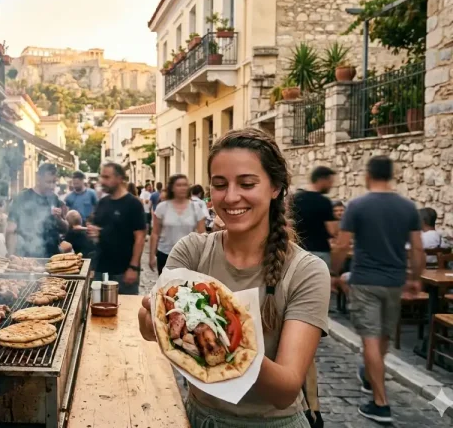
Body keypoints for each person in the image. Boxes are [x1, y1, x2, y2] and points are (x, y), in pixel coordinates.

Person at [137, 128, 330, 427]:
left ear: (276, 186)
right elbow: (150, 330)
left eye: (247, 183)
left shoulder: (306, 271)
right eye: (219, 184)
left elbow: (285, 390)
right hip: (197, 416)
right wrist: (154, 315)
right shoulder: (192, 250)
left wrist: (223, 337)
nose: (230, 197)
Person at [330, 155, 425, 424]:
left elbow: (341, 245)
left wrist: (335, 273)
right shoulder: (408, 207)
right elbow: (418, 248)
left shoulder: (357, 206)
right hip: (394, 281)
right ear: (391, 175)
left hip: (365, 280)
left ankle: (380, 403)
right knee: (382, 337)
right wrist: (415, 278)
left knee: (370, 339)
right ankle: (371, 375)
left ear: (368, 175)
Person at [88, 163, 146, 294]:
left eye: (107, 177)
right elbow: (99, 232)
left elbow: (140, 237)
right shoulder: (102, 203)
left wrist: (133, 267)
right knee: (99, 308)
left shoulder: (133, 204)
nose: (102, 181)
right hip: (101, 269)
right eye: (101, 177)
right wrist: (93, 233)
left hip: (123, 271)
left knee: (125, 310)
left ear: (120, 178)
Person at [7, 163, 68, 257]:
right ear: (38, 178)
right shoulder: (22, 198)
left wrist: (59, 218)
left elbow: (65, 229)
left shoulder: (54, 198)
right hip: (28, 257)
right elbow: (11, 229)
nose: (52, 186)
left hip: (53, 257)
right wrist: (11, 255)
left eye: (54, 182)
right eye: (48, 182)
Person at [150, 175, 206, 274]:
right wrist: (151, 256)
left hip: (187, 255)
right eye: (179, 185)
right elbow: (155, 233)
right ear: (172, 188)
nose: (182, 188)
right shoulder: (162, 207)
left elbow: (202, 235)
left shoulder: (195, 207)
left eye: (185, 185)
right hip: (165, 253)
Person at [290, 166, 339, 267]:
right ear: (322, 180)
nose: (331, 185)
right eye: (330, 182)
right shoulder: (324, 202)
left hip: (298, 251)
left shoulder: (296, 199)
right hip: (320, 252)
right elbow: (333, 230)